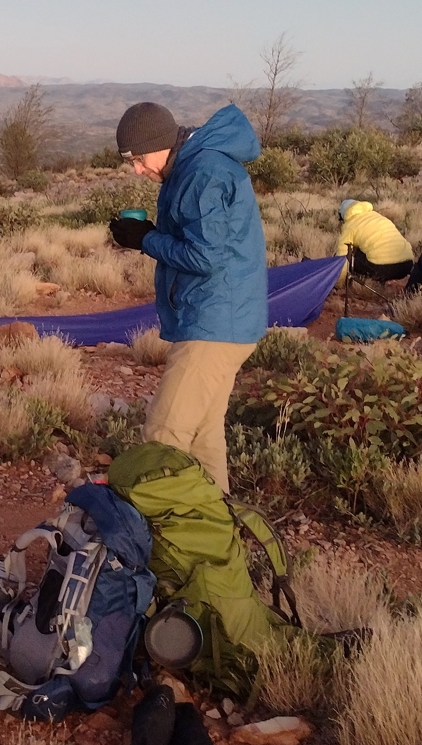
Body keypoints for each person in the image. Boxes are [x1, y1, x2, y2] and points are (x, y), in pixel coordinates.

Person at [107, 102, 267, 496]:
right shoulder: (195, 165)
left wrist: (145, 238)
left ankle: (159, 544)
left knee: (164, 437)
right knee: (202, 440)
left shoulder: (202, 173)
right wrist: (148, 234)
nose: (137, 170)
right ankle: (219, 541)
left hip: (214, 324)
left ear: (160, 144)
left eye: (140, 159)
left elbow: (205, 256)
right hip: (224, 319)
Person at [335, 198, 414, 283]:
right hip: (407, 265)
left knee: (352, 256)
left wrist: (339, 283)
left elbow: (342, 258)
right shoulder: (377, 217)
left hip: (383, 269)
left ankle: (360, 285)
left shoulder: (349, 226)